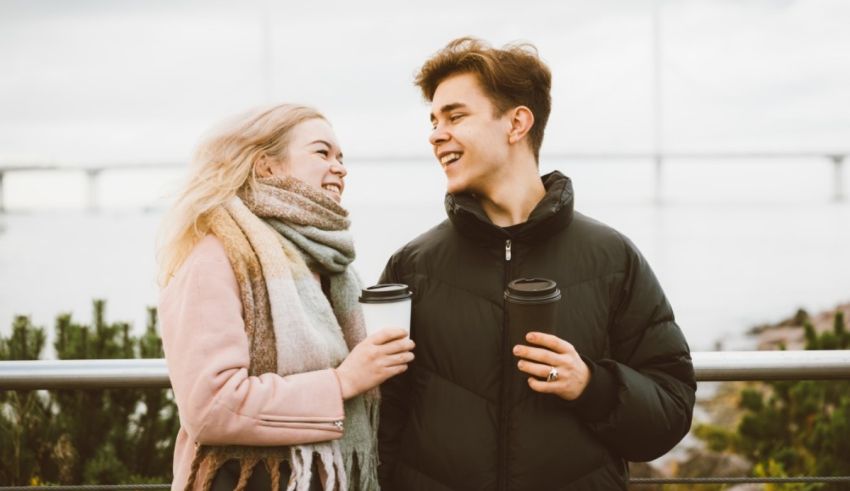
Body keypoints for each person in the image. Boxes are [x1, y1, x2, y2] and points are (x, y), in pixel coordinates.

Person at [377, 37, 697, 490]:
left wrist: (591, 385)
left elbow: (672, 408)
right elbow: (379, 424)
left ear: (517, 123)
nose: (435, 134)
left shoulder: (613, 258)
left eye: (455, 116)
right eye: (432, 120)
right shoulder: (412, 267)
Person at [157, 104, 415, 490]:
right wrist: (343, 382)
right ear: (267, 166)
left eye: (342, 157)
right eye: (322, 152)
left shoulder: (329, 262)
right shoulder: (216, 255)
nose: (340, 167)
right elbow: (211, 407)